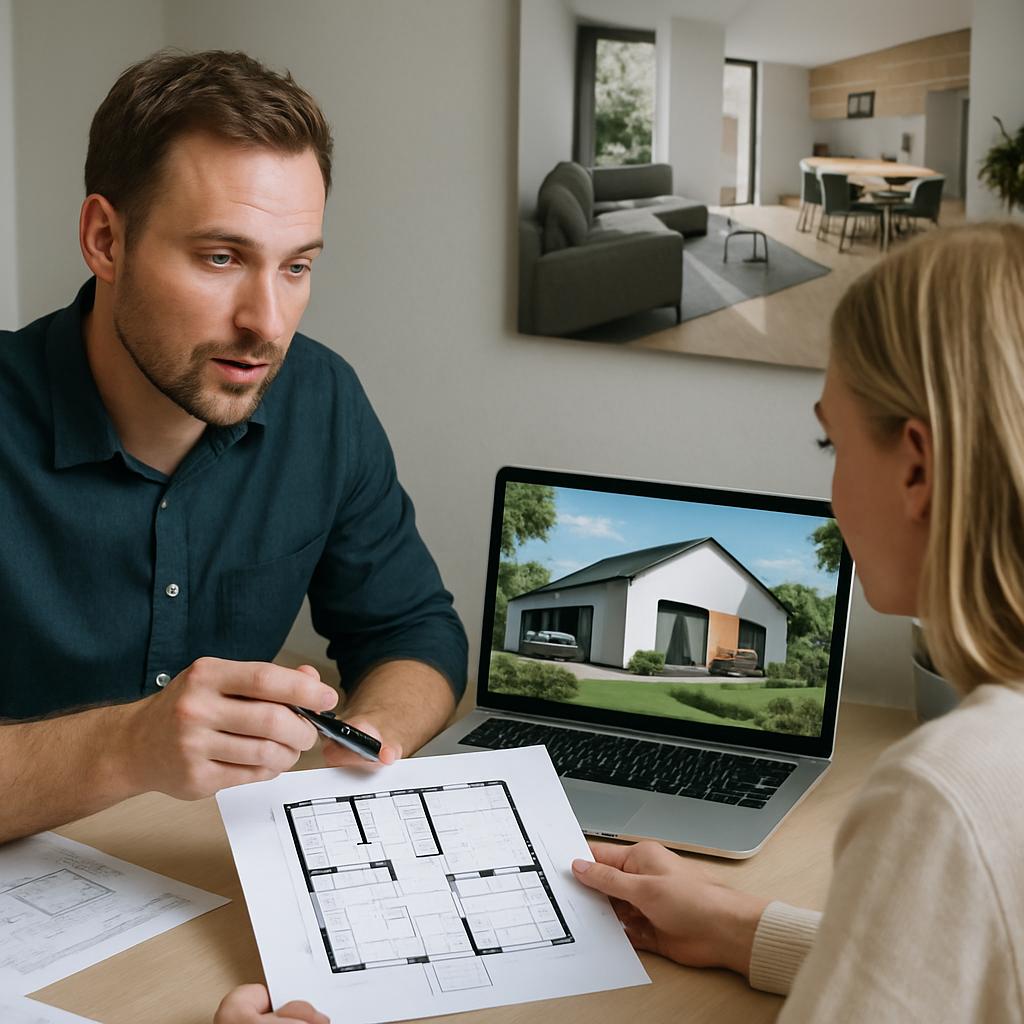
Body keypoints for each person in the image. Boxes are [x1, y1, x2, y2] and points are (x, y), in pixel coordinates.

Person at [0, 49, 467, 845]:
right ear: (106, 239)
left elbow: (413, 631)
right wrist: (127, 746)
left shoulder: (323, 400)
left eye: (296, 267)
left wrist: (362, 743)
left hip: (207, 873)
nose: (269, 322)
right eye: (222, 258)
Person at [572, 222, 1024, 1021]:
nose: (832, 489)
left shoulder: (945, 796)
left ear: (916, 467)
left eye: (831, 442)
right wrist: (739, 927)